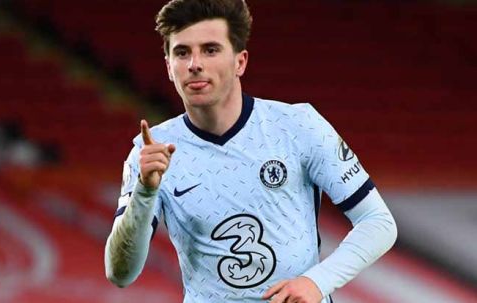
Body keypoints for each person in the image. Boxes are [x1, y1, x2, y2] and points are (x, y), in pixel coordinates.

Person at [104, 0, 397, 302]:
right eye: (182, 52)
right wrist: (145, 192)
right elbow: (120, 274)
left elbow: (378, 222)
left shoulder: (298, 126)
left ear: (240, 62)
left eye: (210, 49)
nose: (194, 64)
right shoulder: (150, 151)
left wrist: (317, 281)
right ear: (169, 67)